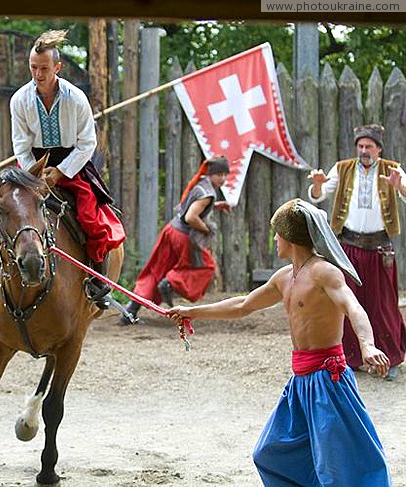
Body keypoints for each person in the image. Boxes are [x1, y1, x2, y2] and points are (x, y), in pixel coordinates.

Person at [169, 198, 392, 487]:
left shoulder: (324, 272)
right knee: (269, 453)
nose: (274, 238)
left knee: (339, 465)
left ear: (290, 237)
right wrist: (192, 312)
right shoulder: (284, 277)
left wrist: (368, 345)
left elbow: (353, 307)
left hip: (328, 379)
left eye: (277, 233)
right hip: (300, 381)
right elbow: (243, 305)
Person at [0, 29, 126, 310]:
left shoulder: (76, 98)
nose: (37, 74)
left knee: (90, 216)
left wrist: (61, 172)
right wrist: (34, 176)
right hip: (31, 168)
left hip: (73, 164)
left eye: (43, 68)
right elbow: (21, 144)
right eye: (33, 68)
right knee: (0, 215)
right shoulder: (19, 100)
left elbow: (87, 142)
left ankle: (99, 282)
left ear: (58, 67)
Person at [308, 124, 406, 381]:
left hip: (379, 248)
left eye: (369, 147)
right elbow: (318, 196)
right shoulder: (343, 168)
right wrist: (318, 186)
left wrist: (399, 187)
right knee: (346, 301)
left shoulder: (392, 169)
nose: (364, 151)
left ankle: (390, 358)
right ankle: (351, 357)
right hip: (348, 247)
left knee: (383, 305)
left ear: (379, 149)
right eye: (360, 146)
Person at [120, 156, 232, 325]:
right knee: (207, 267)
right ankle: (170, 283)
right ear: (211, 174)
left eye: (226, 174)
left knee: (155, 270)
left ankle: (130, 311)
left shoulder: (200, 184)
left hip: (171, 230)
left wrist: (215, 206)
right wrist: (207, 229)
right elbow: (191, 217)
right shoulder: (207, 193)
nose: (223, 178)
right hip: (183, 237)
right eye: (220, 174)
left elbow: (191, 206)